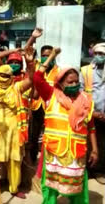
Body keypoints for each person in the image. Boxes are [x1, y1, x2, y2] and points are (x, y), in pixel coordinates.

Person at [34, 48, 98, 204]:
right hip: (54, 153)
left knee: (77, 187)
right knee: (51, 187)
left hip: (77, 153)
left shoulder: (86, 100)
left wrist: (95, 149)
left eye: (76, 81)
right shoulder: (51, 95)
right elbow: (37, 78)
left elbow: (90, 127)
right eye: (70, 82)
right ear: (60, 83)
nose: (74, 84)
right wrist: (51, 57)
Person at [0, 46, 35, 199]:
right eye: (2, 74)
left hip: (13, 129)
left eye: (8, 75)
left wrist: (29, 64)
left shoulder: (17, 87)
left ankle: (13, 188)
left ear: (12, 76)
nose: (4, 77)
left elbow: (30, 80)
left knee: (14, 159)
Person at [28, 44, 60, 163]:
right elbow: (32, 90)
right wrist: (29, 109)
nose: (46, 58)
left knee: (50, 135)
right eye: (43, 56)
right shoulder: (37, 69)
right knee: (33, 136)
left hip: (51, 108)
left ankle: (49, 161)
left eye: (48, 55)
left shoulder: (59, 71)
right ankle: (32, 161)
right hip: (37, 106)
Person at [80, 42, 105, 183]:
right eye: (96, 53)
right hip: (90, 113)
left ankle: (100, 170)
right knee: (88, 143)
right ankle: (88, 170)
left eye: (101, 54)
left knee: (103, 143)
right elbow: (80, 92)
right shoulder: (85, 70)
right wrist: (91, 112)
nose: (98, 56)